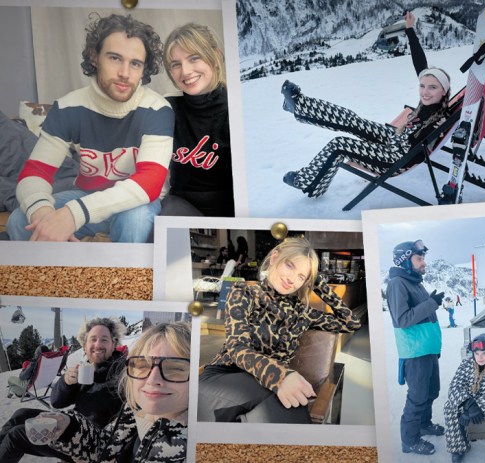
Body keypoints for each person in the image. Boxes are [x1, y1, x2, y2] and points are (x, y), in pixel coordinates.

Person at [6, 14, 173, 243]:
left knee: (135, 221)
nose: (125, 72)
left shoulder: (157, 109)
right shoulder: (67, 107)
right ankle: (58, 278)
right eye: (115, 58)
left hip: (136, 202)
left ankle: (121, 280)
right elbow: (35, 173)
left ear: (144, 70)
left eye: (135, 63)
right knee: (20, 220)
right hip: (88, 194)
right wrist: (44, 215)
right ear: (95, 57)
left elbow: (149, 184)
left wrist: (72, 215)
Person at [280, 11, 451, 198]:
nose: (425, 92)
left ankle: (304, 181)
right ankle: (300, 106)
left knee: (339, 145)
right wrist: (410, 29)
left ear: (444, 90)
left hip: (394, 158)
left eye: (432, 87)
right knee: (354, 120)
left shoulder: (440, 119)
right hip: (395, 137)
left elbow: (419, 149)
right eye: (422, 86)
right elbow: (420, 63)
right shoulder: (432, 101)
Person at [198, 237, 361, 423]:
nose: (292, 280)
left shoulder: (301, 313)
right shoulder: (245, 292)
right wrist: (280, 375)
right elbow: (237, 348)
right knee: (289, 404)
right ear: (275, 258)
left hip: (265, 391)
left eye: (302, 277)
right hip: (227, 377)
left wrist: (319, 285)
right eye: (290, 266)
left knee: (282, 407)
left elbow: (351, 323)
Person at [41, 322, 191, 463]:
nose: (152, 379)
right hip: (85, 441)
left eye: (174, 368)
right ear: (84, 345)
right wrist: (69, 425)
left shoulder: (192, 446)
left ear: (114, 345)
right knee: (20, 417)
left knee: (18, 431)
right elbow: (107, 445)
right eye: (142, 365)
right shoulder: (134, 412)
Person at [0, 317, 126, 462]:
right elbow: (56, 402)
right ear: (85, 345)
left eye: (104, 339)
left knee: (17, 436)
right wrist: (66, 382)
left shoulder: (122, 373)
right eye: (93, 339)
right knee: (20, 414)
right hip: (72, 424)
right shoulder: (86, 368)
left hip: (88, 442)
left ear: (113, 344)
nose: (97, 344)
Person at [160, 23, 234, 217]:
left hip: (230, 210)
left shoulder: (237, 109)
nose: (185, 71)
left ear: (216, 57)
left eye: (194, 58)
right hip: (180, 204)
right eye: (176, 64)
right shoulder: (166, 109)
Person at [387, 239, 445, 455]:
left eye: (423, 258)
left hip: (427, 349)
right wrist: (431, 303)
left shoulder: (415, 282)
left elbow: (420, 312)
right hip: (415, 351)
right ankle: (410, 440)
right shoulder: (397, 284)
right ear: (405, 261)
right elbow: (402, 319)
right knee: (418, 397)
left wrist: (429, 301)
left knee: (431, 392)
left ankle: (424, 423)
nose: (424, 263)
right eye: (419, 258)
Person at [444, 330, 485, 463]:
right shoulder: (466, 364)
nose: (480, 357)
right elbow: (455, 386)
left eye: (484, 353)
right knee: (449, 406)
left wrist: (476, 407)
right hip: (468, 402)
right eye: (477, 353)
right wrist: (467, 404)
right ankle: (459, 447)